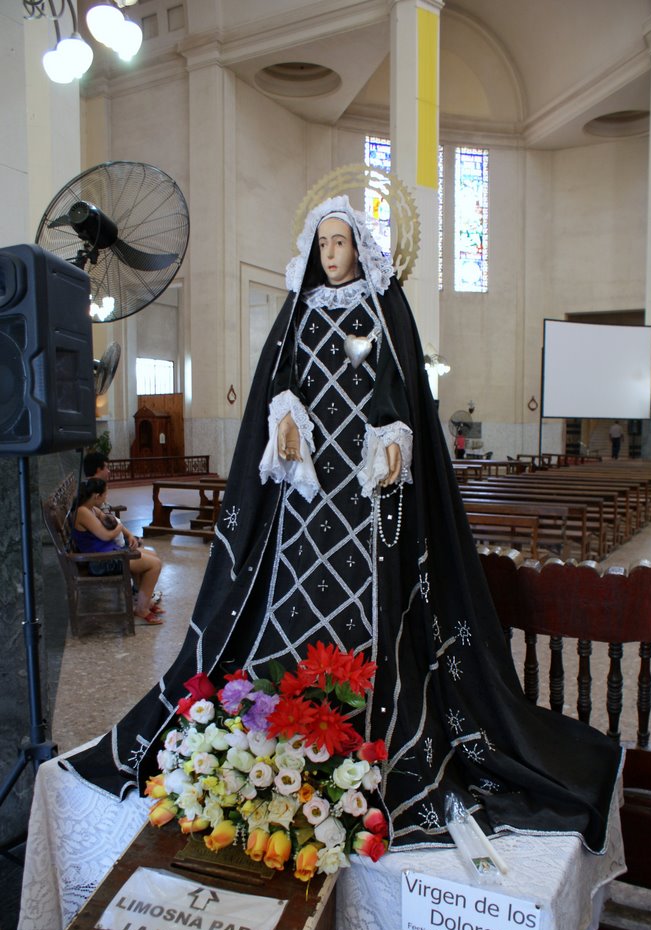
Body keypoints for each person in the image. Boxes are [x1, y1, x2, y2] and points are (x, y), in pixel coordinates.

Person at [66, 195, 621, 854]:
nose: (330, 255)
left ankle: (360, 707)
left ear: (359, 247)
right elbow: (283, 380)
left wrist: (390, 435)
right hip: (305, 498)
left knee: (370, 601)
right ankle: (280, 699)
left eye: (340, 243)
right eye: (322, 244)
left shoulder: (379, 310)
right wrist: (285, 418)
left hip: (359, 496)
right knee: (284, 595)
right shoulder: (297, 312)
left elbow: (389, 381)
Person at [71, 478, 164, 625]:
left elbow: (110, 519)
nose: (106, 497)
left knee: (151, 555)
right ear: (96, 496)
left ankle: (144, 602)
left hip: (109, 553)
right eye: (105, 495)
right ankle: (142, 608)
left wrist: (129, 535)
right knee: (155, 564)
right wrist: (120, 528)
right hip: (102, 562)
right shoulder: (82, 512)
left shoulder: (91, 509)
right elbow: (106, 535)